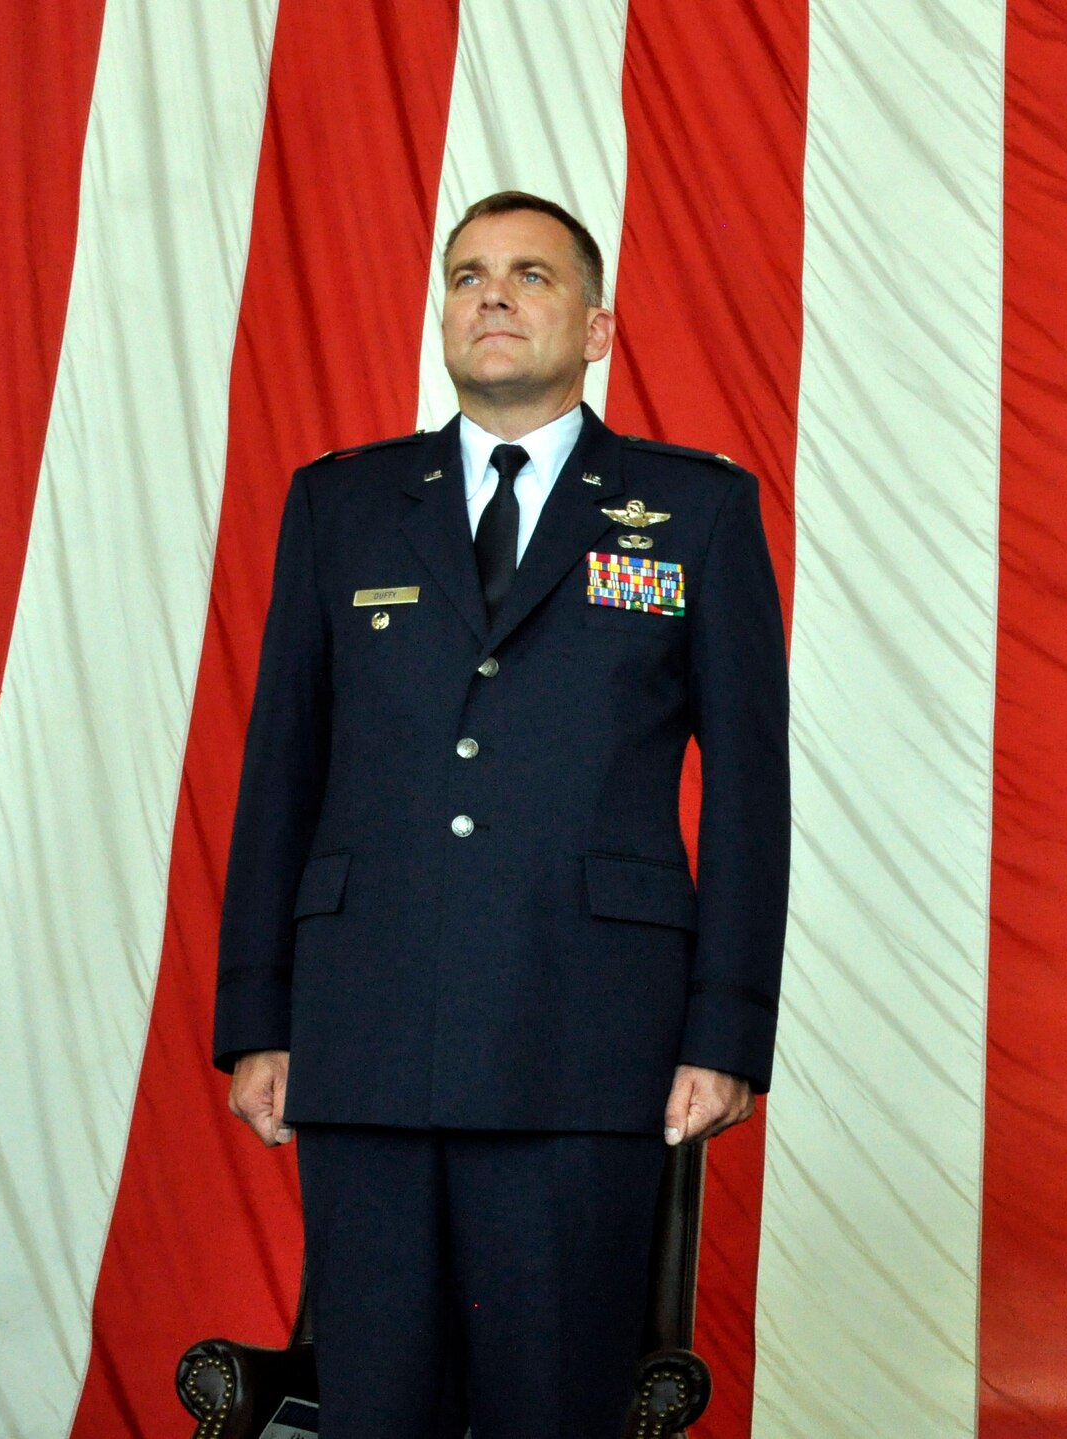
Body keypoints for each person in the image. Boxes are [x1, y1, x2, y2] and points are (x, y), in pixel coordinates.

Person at [212, 190, 789, 1439]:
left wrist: (727, 1027)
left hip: (585, 1036)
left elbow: (750, 793)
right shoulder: (342, 505)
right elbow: (280, 773)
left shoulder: (694, 511)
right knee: (374, 1411)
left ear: (595, 327)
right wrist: (258, 1016)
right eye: (468, 272)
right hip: (364, 1031)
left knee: (550, 1407)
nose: (492, 294)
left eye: (530, 274)